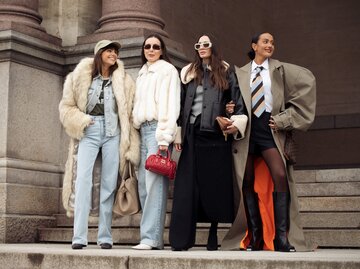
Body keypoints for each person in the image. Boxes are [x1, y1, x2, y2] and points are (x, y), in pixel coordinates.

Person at [222, 32, 316, 252]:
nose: (270, 45)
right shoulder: (240, 72)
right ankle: (255, 237)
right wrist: (230, 109)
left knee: (280, 175)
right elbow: (235, 101)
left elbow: (307, 82)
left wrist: (285, 119)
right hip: (246, 133)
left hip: (268, 130)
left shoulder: (279, 70)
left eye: (272, 42)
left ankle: (281, 239)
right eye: (265, 41)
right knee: (247, 181)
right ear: (254, 45)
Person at [169, 34, 248, 251]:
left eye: (206, 44)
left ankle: (213, 233)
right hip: (192, 134)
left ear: (214, 47)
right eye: (198, 45)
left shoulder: (226, 71)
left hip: (215, 135)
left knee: (213, 185)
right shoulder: (188, 74)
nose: (201, 47)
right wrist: (178, 134)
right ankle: (181, 239)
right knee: (187, 187)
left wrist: (235, 120)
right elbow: (180, 105)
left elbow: (237, 100)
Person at [59, 40, 140, 250]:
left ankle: (105, 235)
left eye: (115, 51)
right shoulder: (80, 76)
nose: (114, 54)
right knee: (83, 181)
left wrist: (130, 143)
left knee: (108, 184)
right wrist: (83, 120)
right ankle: (79, 236)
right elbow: (66, 107)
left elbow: (129, 113)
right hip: (90, 130)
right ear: (99, 54)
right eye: (110, 51)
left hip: (113, 133)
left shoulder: (124, 80)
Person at [131, 34, 181, 250]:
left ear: (162, 50)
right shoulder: (142, 73)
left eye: (155, 46)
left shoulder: (167, 70)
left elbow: (171, 105)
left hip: (157, 132)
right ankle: (153, 238)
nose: (151, 49)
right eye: (147, 46)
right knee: (143, 184)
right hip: (142, 130)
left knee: (154, 185)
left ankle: (150, 238)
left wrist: (164, 137)